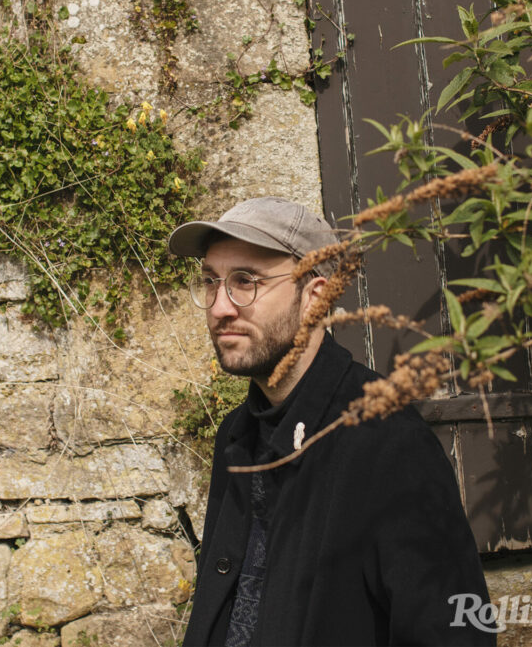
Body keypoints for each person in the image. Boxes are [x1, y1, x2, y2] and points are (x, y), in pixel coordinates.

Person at [167, 197, 495, 646]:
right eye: (211, 282)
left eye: (246, 281)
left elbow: (457, 634)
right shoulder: (237, 436)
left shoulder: (388, 443)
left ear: (316, 297)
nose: (220, 307)